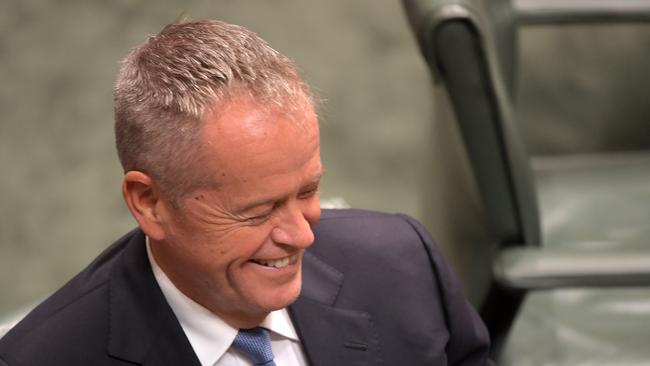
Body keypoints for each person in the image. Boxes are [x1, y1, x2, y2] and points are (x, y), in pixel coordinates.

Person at [0, 20, 493, 365]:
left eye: (307, 190)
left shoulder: (404, 264)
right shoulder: (42, 356)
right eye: (258, 211)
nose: (301, 235)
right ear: (148, 202)